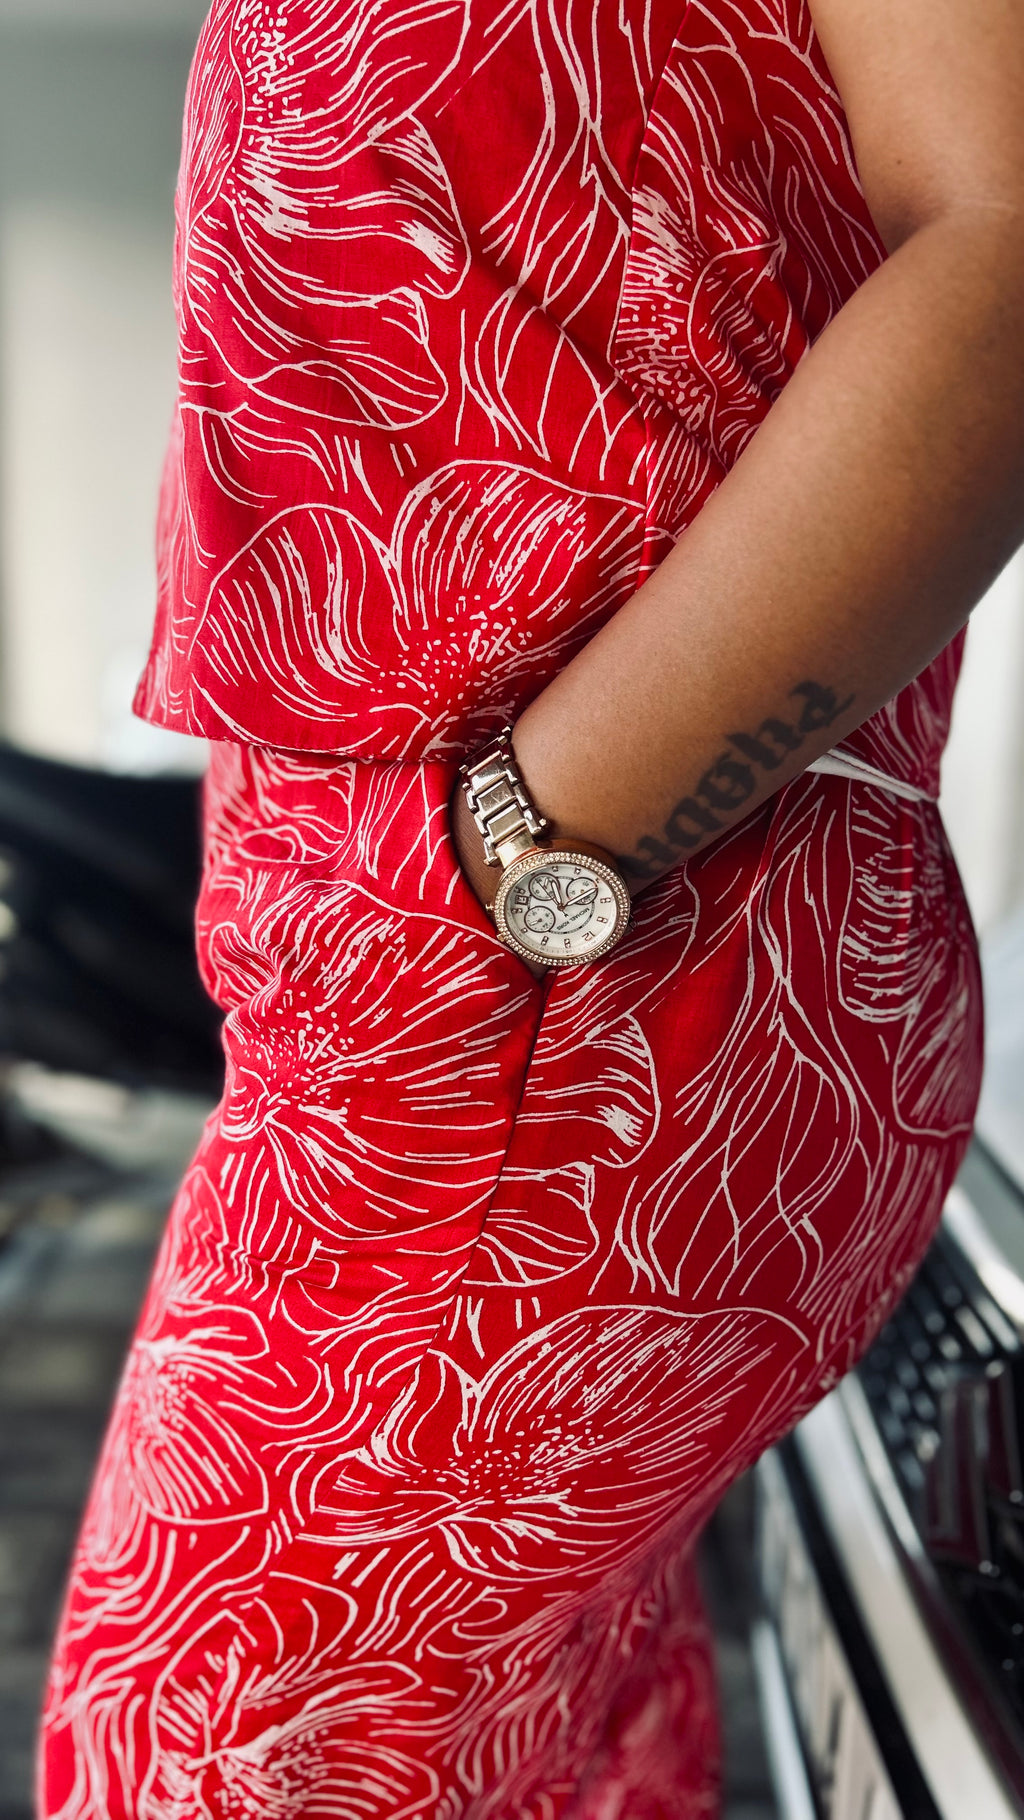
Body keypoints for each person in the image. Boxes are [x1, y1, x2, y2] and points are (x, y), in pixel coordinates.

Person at [36, 0, 1024, 1813]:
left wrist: (524, 848)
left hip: (573, 991)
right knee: (551, 1749)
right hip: (476, 994)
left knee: (201, 1756)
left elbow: (1007, 253)